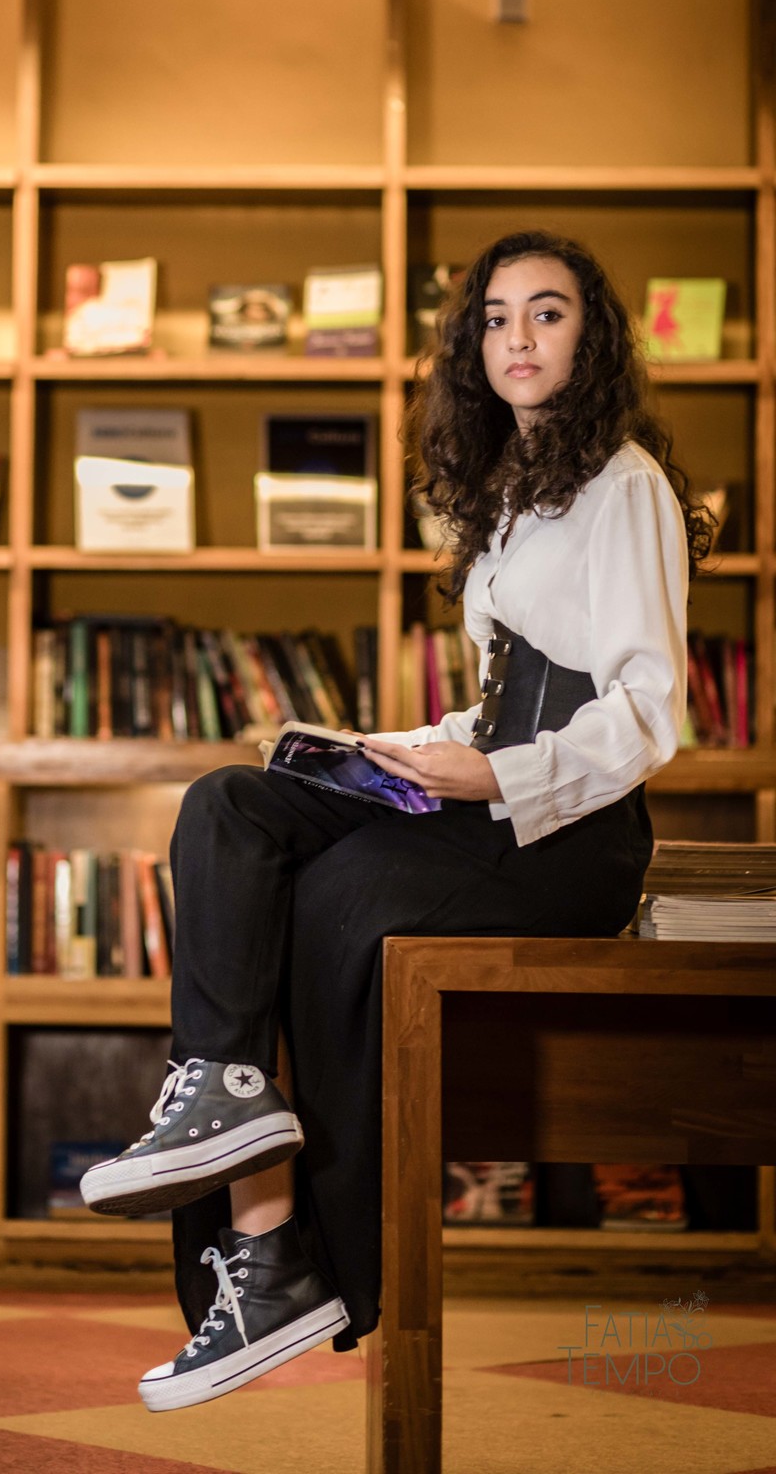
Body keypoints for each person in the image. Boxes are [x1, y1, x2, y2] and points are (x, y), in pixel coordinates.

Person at [79, 228, 714, 1413]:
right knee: (230, 810)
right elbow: (501, 698)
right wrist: (415, 750)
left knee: (338, 896)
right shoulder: (513, 499)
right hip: (482, 802)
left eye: (549, 313)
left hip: (568, 843)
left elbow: (645, 715)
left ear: (595, 336)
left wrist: (496, 777)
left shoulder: (624, 482)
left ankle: (293, 1264)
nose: (517, 338)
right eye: (495, 318)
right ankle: (226, 1113)